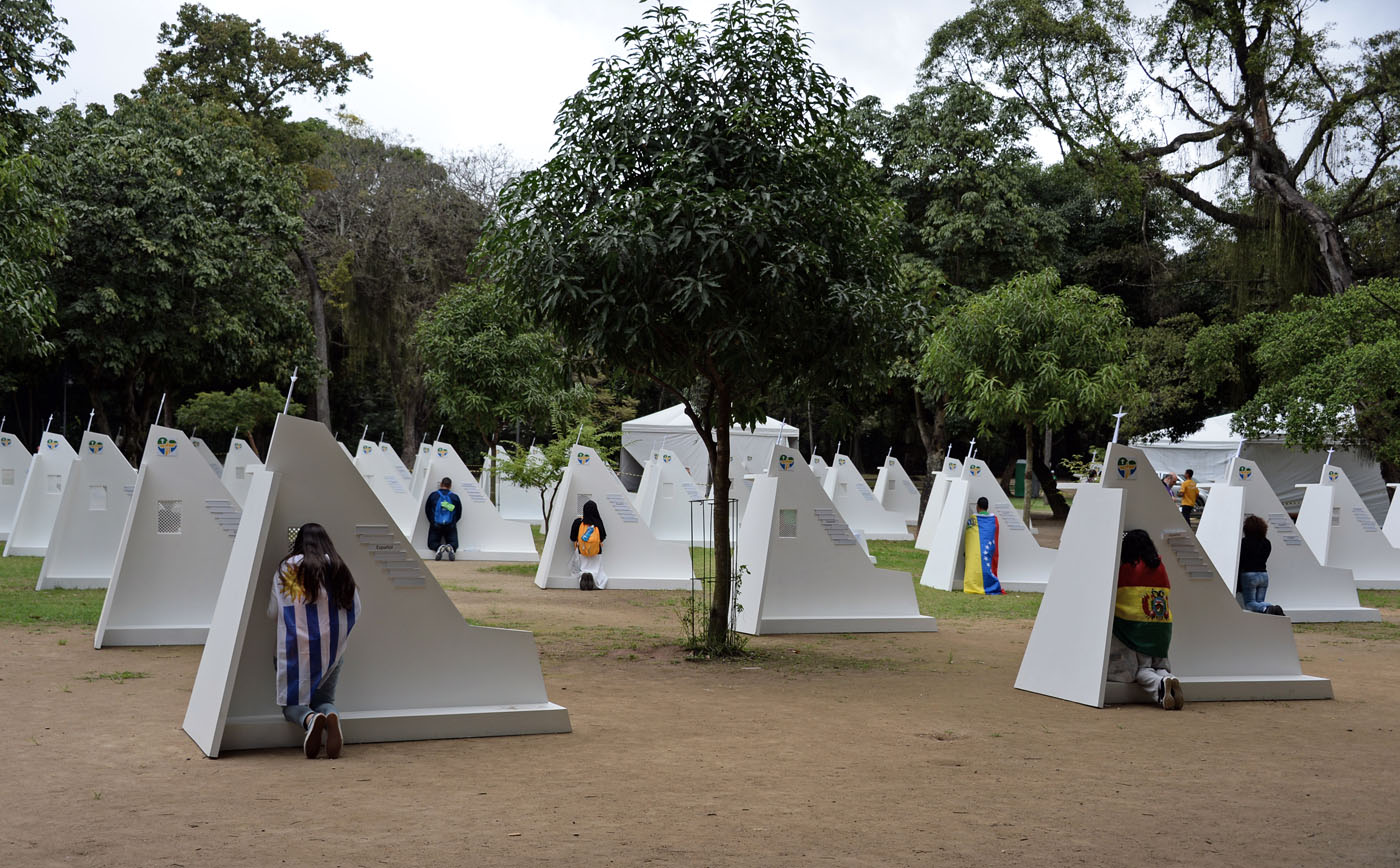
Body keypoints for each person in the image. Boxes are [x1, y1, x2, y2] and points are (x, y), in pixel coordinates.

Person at [268, 523, 362, 758]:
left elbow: (273, 611)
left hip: (293, 651)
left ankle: (311, 720)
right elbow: (356, 607)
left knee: (291, 704)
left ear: (299, 541)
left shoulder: (287, 568)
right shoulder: (338, 567)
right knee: (325, 699)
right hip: (332, 652)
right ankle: (329, 715)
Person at [1107, 529, 1184, 710]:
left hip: (1138, 628)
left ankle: (1160, 686)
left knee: (1143, 669)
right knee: (1159, 664)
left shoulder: (1126, 567)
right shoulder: (1160, 566)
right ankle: (1167, 678)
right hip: (1162, 628)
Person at [1238, 514, 1286, 615]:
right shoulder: (1267, 543)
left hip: (1249, 574)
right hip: (1264, 575)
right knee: (1259, 603)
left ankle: (1268, 608)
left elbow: (1241, 560)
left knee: (1250, 603)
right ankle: (1271, 608)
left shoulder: (1243, 542)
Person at [962, 496, 1003, 595]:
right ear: (987, 507)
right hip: (988, 550)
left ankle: (973, 585)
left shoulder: (973, 519)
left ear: (977, 506)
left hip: (975, 553)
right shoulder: (994, 520)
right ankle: (989, 585)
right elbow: (995, 534)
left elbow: (969, 536)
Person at [568, 499, 608, 590]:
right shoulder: (598, 523)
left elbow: (572, 538)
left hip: (581, 551)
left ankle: (583, 575)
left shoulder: (578, 522)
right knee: (596, 569)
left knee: (582, 567)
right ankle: (593, 577)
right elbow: (602, 537)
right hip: (596, 552)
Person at [424, 477, 463, 561]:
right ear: (450, 486)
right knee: (454, 543)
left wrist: (432, 522)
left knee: (432, 543)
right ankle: (450, 547)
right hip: (450, 525)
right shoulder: (454, 497)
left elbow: (427, 510)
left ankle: (439, 547)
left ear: (441, 484)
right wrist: (453, 522)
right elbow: (459, 513)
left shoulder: (433, 495)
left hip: (435, 525)